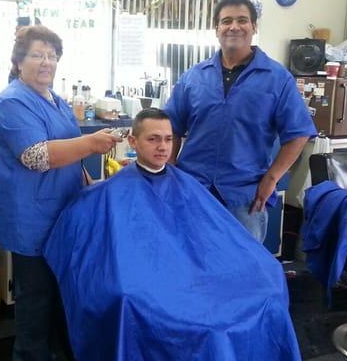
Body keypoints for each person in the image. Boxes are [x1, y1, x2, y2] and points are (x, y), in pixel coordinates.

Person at [44, 108, 301, 360]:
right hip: (150, 280)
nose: (163, 147)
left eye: (168, 139)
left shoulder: (185, 184)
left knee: (267, 275)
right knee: (127, 297)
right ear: (133, 141)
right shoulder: (113, 192)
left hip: (195, 272)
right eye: (153, 139)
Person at [0, 25, 121, 360]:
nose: (45, 62)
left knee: (61, 305)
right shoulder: (12, 102)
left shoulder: (58, 102)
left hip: (64, 216)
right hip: (32, 221)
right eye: (37, 54)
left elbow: (68, 151)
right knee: (35, 307)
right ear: (19, 61)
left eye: (51, 55)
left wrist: (87, 182)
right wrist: (92, 142)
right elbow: (37, 156)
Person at [165, 0, 317, 243]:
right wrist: (170, 171)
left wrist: (272, 177)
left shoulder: (277, 78)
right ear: (216, 29)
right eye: (226, 21)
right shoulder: (194, 77)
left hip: (245, 198)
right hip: (192, 192)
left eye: (242, 20)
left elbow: (299, 132)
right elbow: (171, 127)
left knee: (243, 273)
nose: (234, 26)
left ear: (254, 27)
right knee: (190, 266)